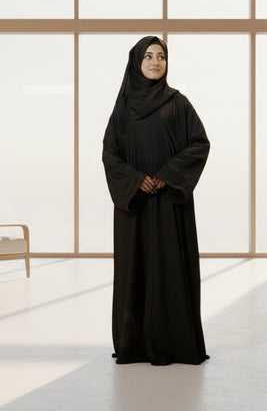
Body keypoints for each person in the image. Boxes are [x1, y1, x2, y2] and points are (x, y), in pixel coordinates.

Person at [102, 36, 211, 365]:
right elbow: (110, 155)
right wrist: (137, 181)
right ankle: (134, 345)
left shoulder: (178, 103)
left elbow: (199, 144)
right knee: (135, 269)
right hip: (134, 205)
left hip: (169, 203)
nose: (155, 62)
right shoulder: (122, 108)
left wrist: (165, 175)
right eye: (148, 56)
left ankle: (174, 343)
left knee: (169, 268)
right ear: (136, 62)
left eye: (161, 56)